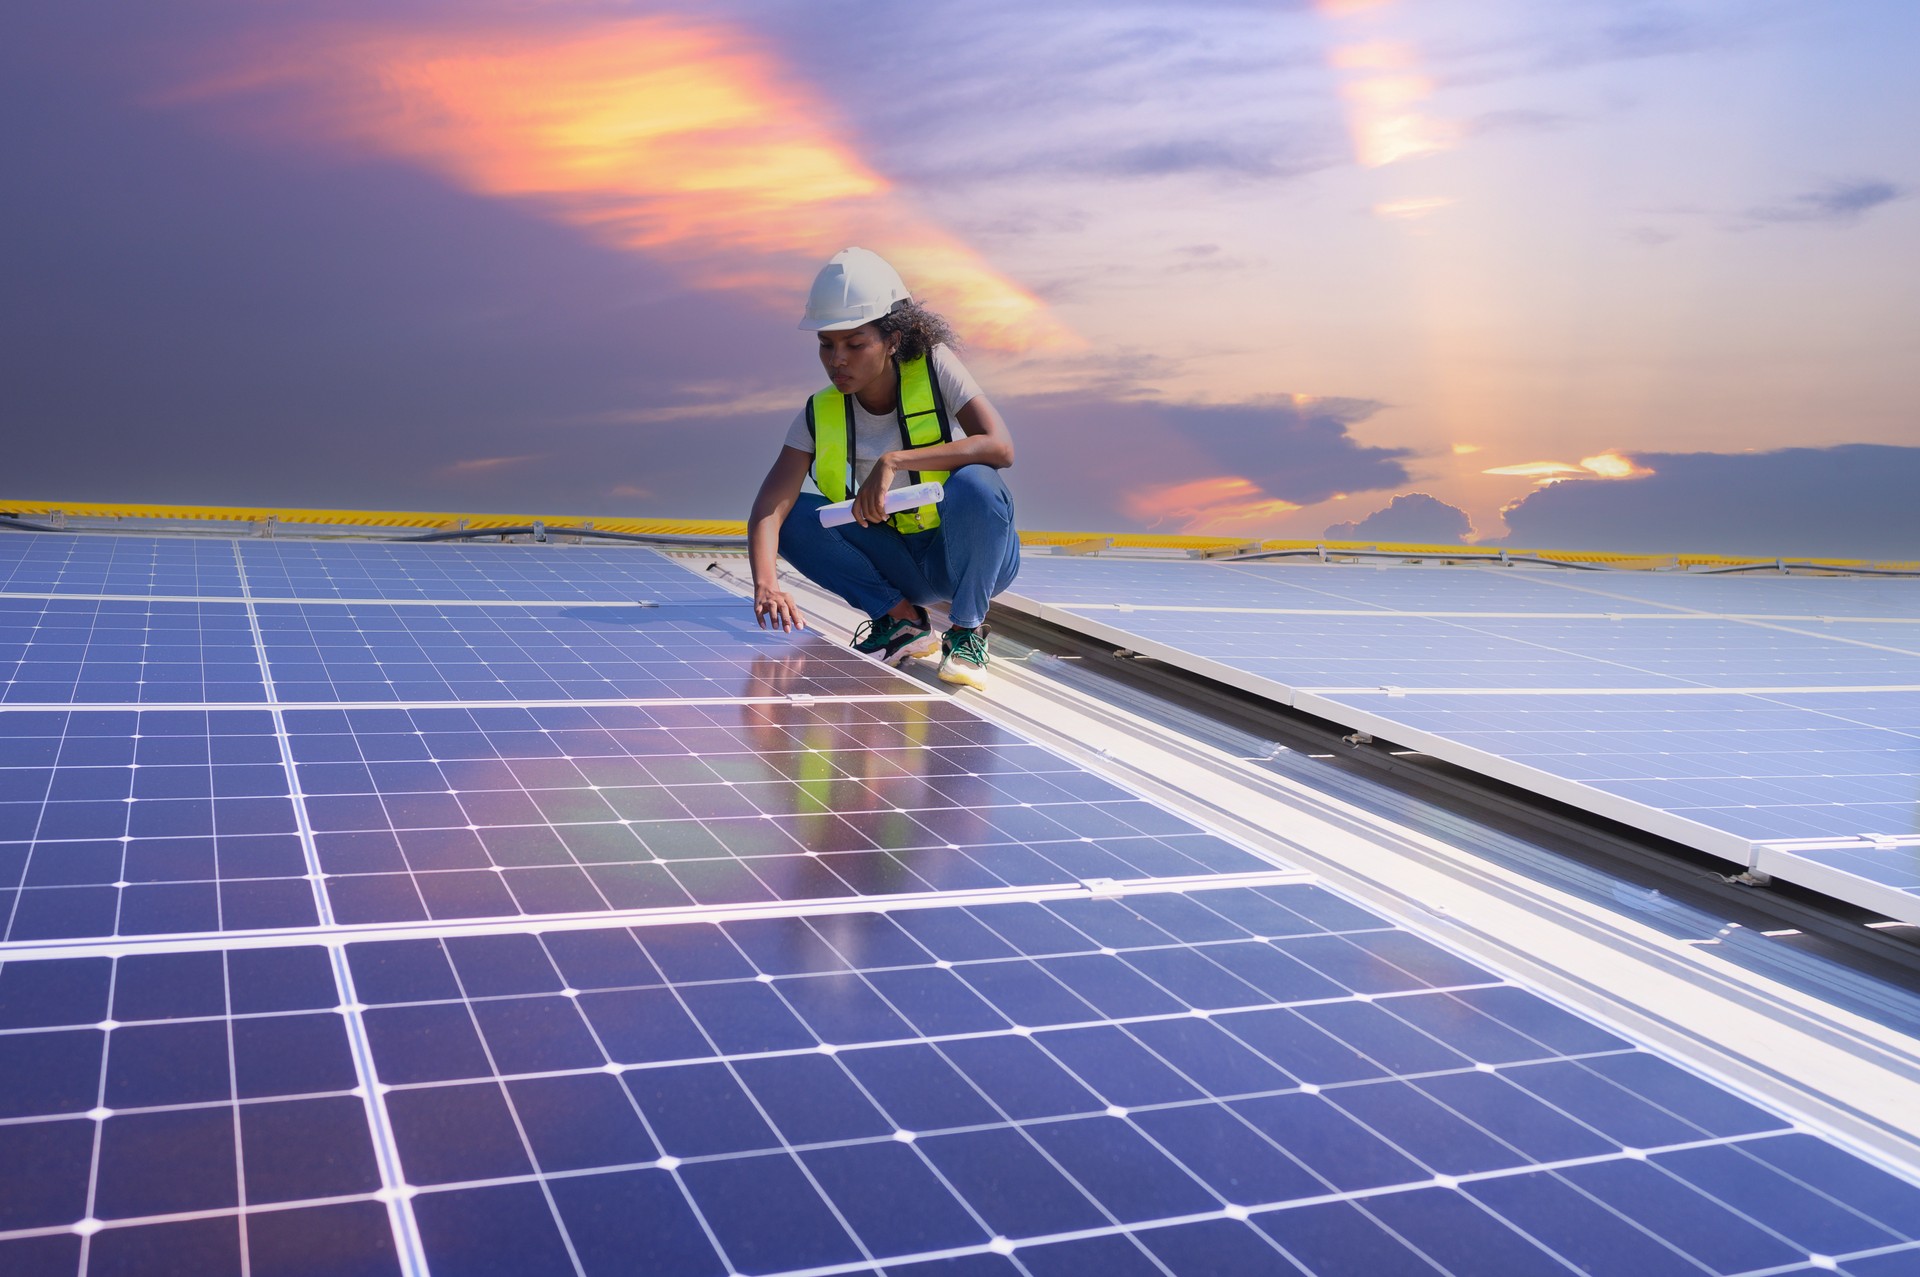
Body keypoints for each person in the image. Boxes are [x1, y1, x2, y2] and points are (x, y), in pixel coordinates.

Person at [747, 247, 1021, 690]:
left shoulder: (935, 368)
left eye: (855, 344)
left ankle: (967, 631)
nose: (838, 359)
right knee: (795, 514)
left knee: (979, 482)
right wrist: (766, 584)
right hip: (903, 565)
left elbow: (1000, 447)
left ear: (893, 340)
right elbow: (768, 509)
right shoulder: (820, 412)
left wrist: (895, 461)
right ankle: (901, 621)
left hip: (970, 555)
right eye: (826, 344)